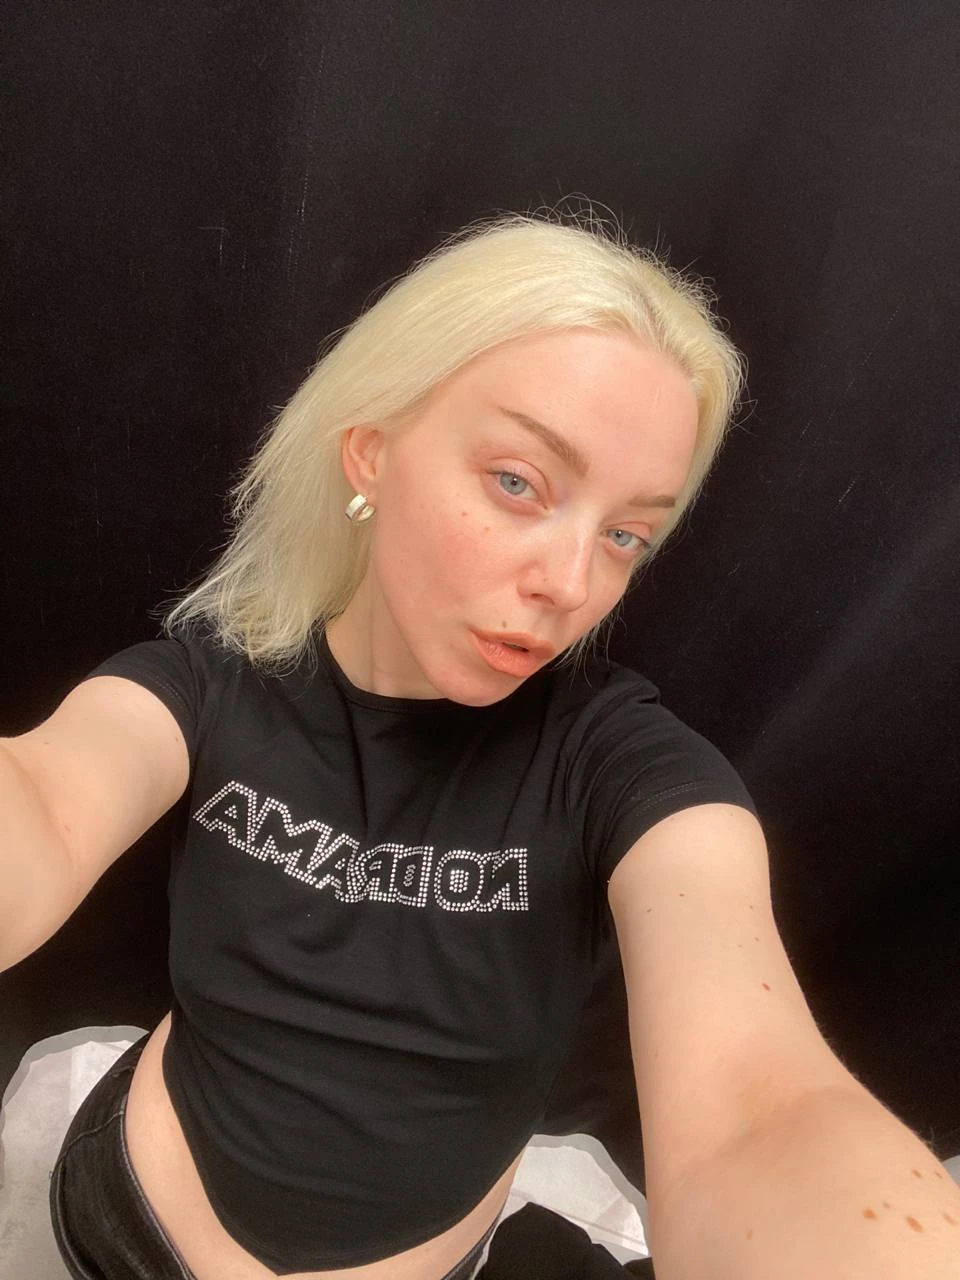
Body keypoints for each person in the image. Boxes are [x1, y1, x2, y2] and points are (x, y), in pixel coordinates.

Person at [2, 210, 958, 1280]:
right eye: (519, 482)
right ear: (372, 453)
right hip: (126, 1219)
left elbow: (758, 1107)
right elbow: (42, 797)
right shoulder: (204, 683)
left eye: (625, 535)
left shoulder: (623, 771)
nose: (572, 584)